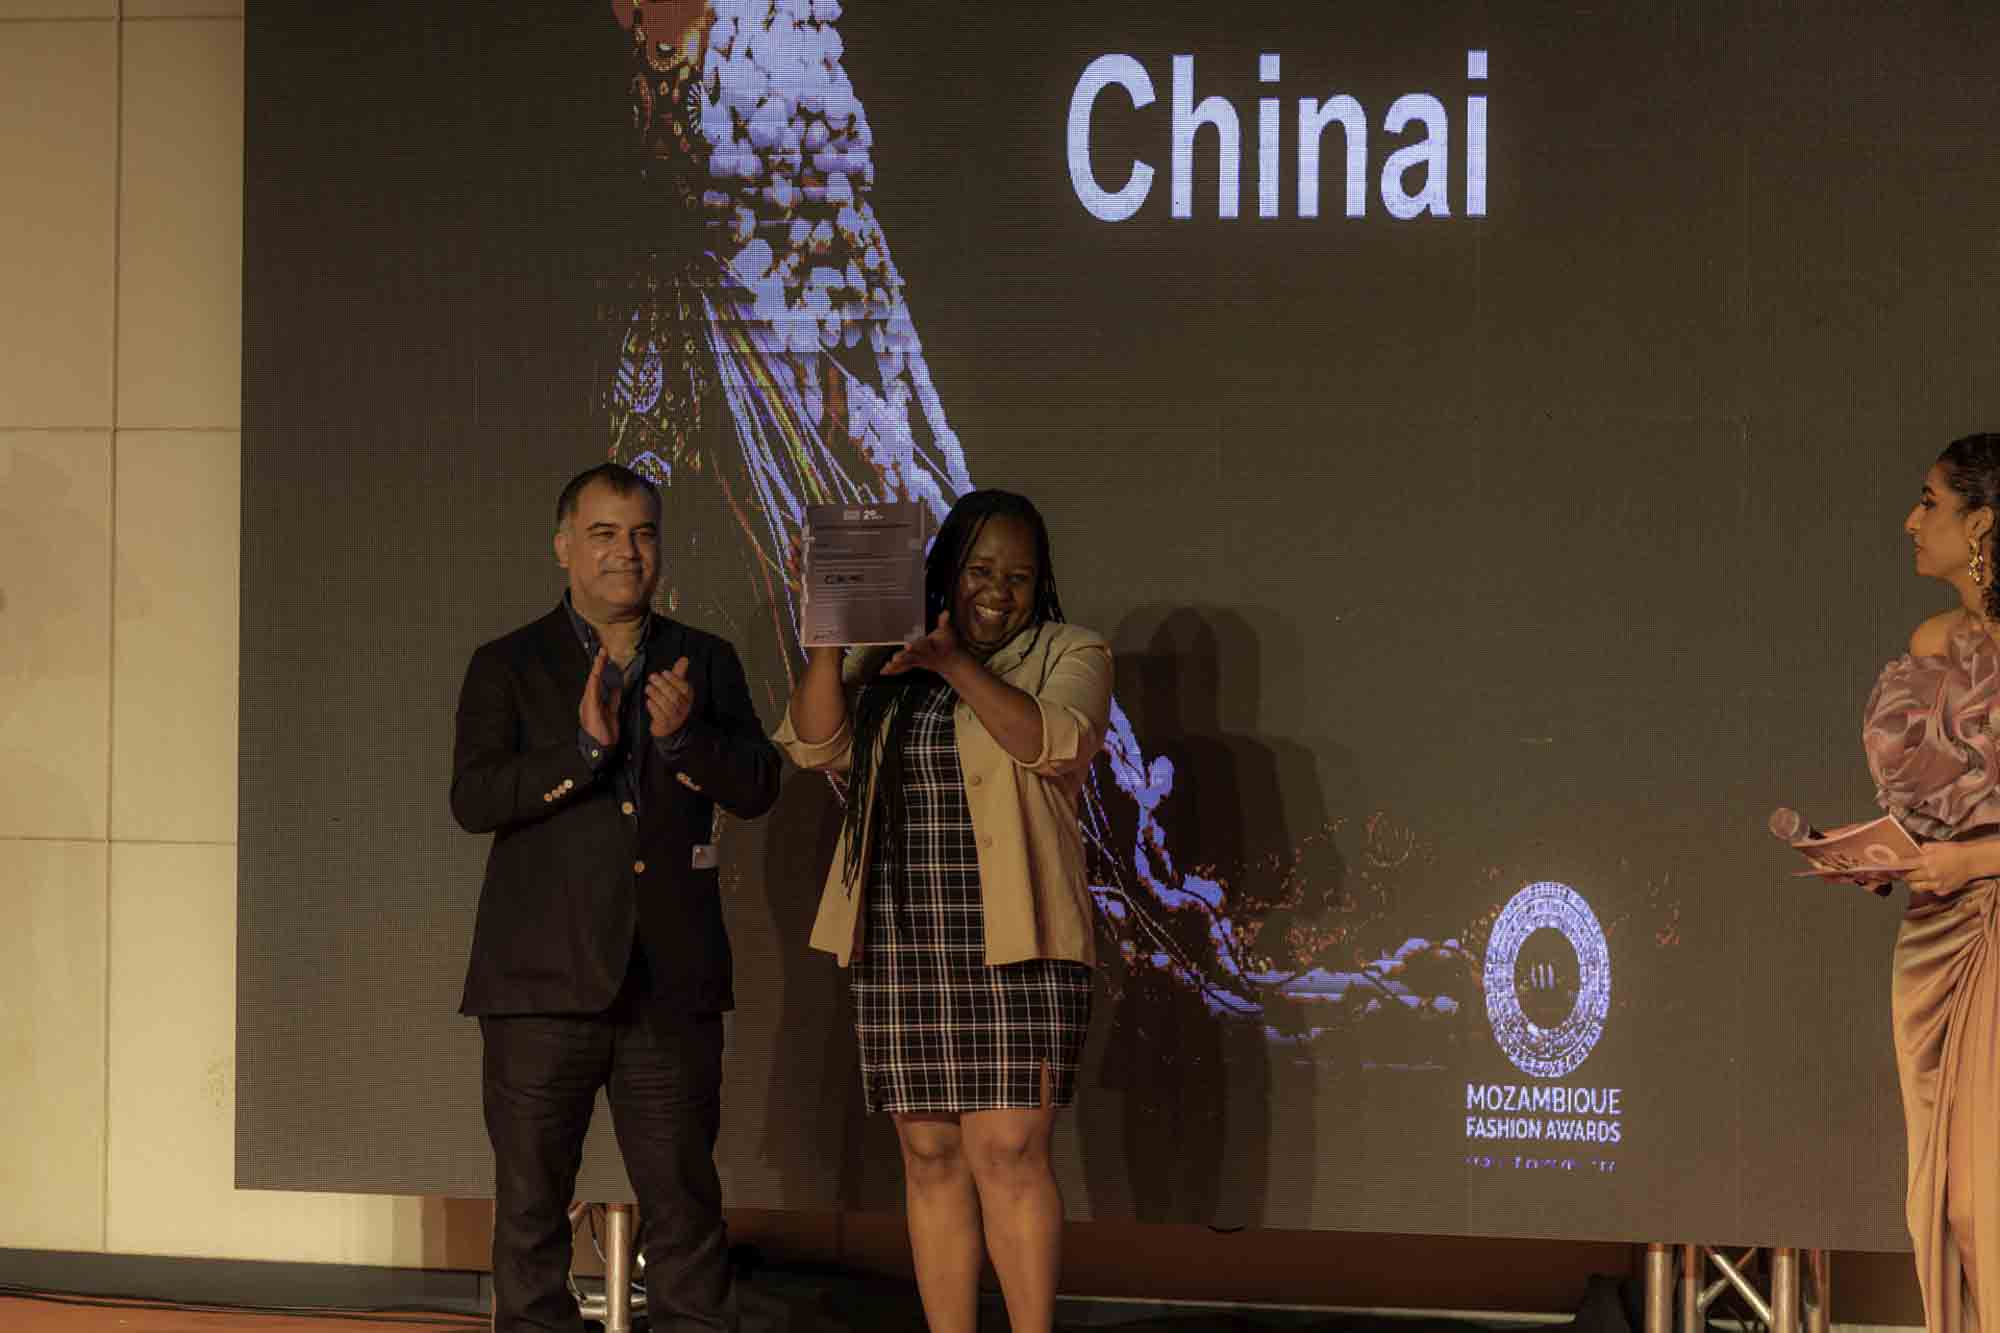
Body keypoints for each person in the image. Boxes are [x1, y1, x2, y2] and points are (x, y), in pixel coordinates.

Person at [452, 462, 781, 1333]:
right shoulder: (508, 663)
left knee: (685, 1211)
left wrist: (685, 741)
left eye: (641, 534)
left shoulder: (704, 658)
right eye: (603, 534)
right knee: (530, 1214)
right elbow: (473, 798)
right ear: (564, 546)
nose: (625, 552)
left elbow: (758, 784)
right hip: (537, 986)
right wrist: (581, 752)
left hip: (669, 986)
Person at [774, 490, 1111, 1333]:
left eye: (1019, 577)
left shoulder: (1070, 650)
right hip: (902, 937)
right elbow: (816, 743)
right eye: (980, 570)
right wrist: (826, 637)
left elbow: (1053, 741)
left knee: (1009, 1150)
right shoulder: (887, 661)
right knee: (929, 1156)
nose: (998, 590)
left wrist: (955, 662)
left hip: (1020, 938)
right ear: (947, 571)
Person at [1867, 432, 2000, 1333]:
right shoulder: (1933, 644)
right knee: (1943, 1204)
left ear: (1981, 523)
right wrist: (1883, 853)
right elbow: (1928, 807)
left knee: (1984, 1204)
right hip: (1934, 936)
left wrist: (1973, 860)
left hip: (1995, 925)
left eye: (1930, 502)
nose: (1912, 521)